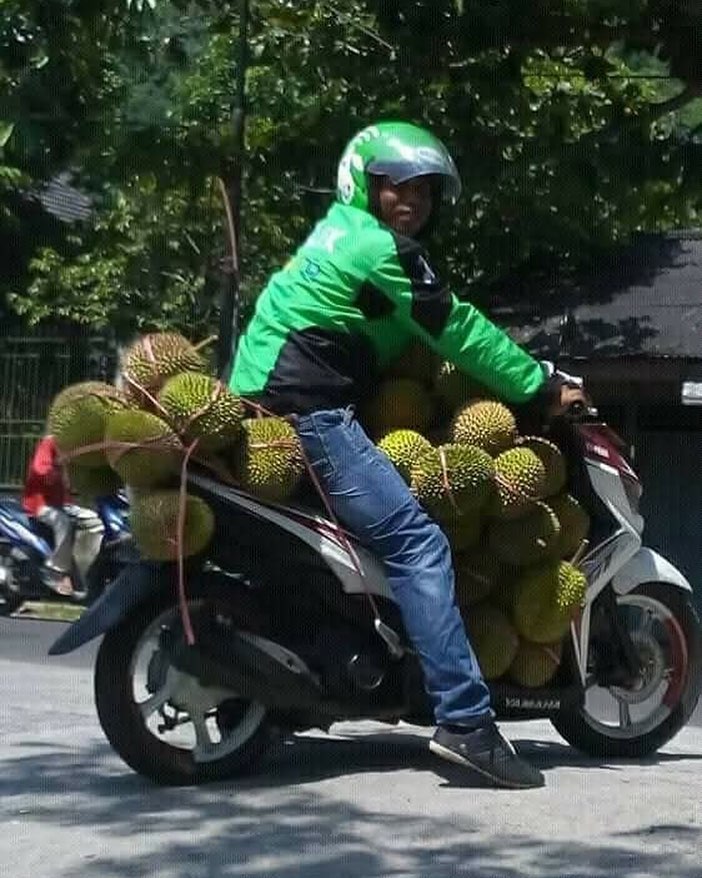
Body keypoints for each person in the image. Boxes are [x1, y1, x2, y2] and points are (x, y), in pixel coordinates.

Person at [230, 121, 585, 789]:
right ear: (364, 182)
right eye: (397, 185)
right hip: (309, 416)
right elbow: (457, 327)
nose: (413, 201)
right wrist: (541, 385)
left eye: (424, 191)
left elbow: (400, 333)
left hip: (259, 409)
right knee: (419, 544)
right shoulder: (377, 246)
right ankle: (465, 721)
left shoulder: (334, 236)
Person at [21, 434, 75, 596]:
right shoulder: (50, 442)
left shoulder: (72, 447)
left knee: (90, 520)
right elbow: (39, 469)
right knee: (63, 522)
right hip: (40, 506)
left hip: (61, 504)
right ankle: (57, 570)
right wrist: (57, 466)